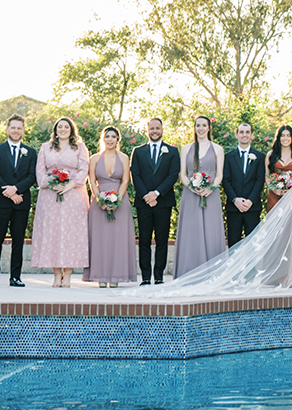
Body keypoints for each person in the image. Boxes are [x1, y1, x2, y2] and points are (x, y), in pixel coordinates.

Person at [33, 116, 90, 287]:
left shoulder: (80, 147)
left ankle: (69, 274)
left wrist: (69, 185)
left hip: (74, 194)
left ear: (71, 130)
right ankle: (57, 274)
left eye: (66, 126)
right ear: (55, 130)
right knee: (53, 233)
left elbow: (84, 169)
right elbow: (40, 171)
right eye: (60, 127)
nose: (63, 129)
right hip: (50, 196)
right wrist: (51, 184)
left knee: (71, 233)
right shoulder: (46, 147)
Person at [173, 115, 226, 278]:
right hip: (191, 196)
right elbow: (182, 174)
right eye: (198, 125)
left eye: (204, 125)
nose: (201, 128)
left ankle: (213, 274)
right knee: (191, 233)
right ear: (194, 128)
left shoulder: (217, 149)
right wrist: (192, 187)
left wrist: (210, 188)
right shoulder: (186, 149)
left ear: (209, 128)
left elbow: (219, 175)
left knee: (211, 232)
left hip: (211, 195)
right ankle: (188, 271)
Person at [0, 114, 36, 288]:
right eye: (13, 127)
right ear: (7, 129)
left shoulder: (30, 152)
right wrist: (9, 192)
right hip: (1, 202)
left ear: (23, 130)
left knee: (18, 240)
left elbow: (32, 176)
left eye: (19, 128)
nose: (16, 131)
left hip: (21, 202)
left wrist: (17, 189)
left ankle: (16, 277)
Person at [83, 126, 137, 287]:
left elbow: (126, 180)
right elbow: (92, 180)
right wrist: (100, 199)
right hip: (99, 203)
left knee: (118, 239)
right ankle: (100, 276)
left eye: (113, 136)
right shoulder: (94, 158)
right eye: (107, 136)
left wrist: (116, 200)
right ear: (103, 138)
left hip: (120, 202)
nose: (110, 139)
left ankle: (116, 277)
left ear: (117, 140)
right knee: (100, 240)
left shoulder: (124, 158)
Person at [130, 117, 179, 285]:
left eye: (157, 128)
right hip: (143, 203)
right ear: (147, 130)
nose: (155, 131)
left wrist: (156, 194)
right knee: (144, 239)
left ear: (162, 129)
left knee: (162, 239)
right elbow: (134, 175)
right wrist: (146, 195)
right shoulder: (138, 151)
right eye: (152, 128)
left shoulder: (172, 151)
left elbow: (173, 175)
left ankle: (158, 276)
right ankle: (145, 276)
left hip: (163, 202)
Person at [266, 124, 292, 285]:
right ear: (279, 137)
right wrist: (276, 188)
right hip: (275, 198)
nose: (285, 138)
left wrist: (291, 190)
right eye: (282, 135)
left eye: (288, 135)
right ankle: (276, 276)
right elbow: (267, 177)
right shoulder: (271, 154)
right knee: (277, 236)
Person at [223, 122, 264, 247]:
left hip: (253, 207)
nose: (244, 135)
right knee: (233, 243)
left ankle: (252, 268)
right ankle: (233, 267)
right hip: (233, 207)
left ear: (251, 135)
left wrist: (250, 200)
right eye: (241, 132)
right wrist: (235, 199)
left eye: (247, 132)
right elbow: (226, 180)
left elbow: (260, 180)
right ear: (236, 134)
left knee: (253, 244)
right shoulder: (228, 157)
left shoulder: (260, 156)